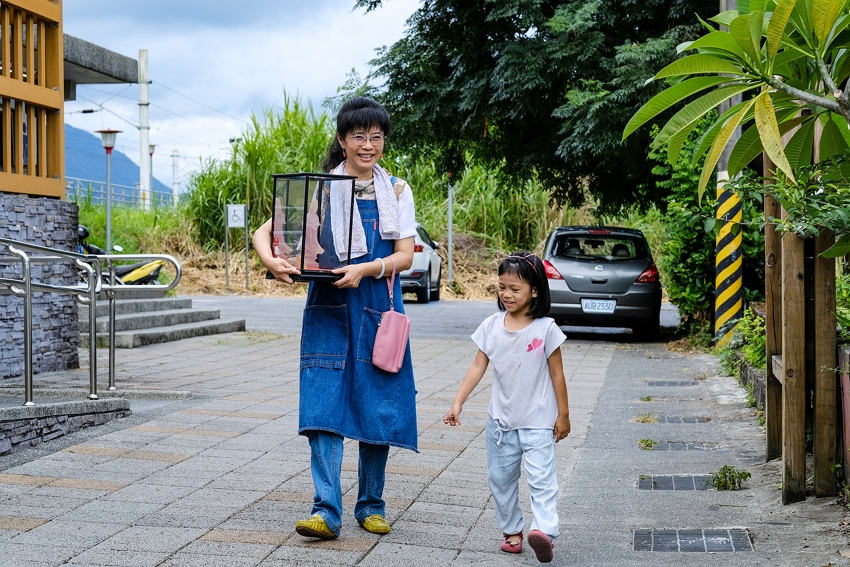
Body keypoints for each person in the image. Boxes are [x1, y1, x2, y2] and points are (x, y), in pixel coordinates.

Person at [253, 96, 417, 540]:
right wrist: (273, 262)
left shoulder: (398, 190)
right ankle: (325, 510)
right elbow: (265, 233)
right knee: (324, 403)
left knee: (377, 404)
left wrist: (364, 268)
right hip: (327, 308)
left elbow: (404, 257)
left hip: (379, 309)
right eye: (359, 136)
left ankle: (372, 504)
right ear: (343, 141)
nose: (369, 145)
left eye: (377, 137)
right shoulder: (321, 187)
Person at [443, 251, 570, 563]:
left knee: (542, 481)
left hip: (539, 421)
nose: (507, 294)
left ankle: (543, 532)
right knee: (500, 481)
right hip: (501, 423)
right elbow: (477, 367)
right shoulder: (491, 326)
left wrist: (563, 415)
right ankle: (512, 531)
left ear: (535, 290)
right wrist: (458, 402)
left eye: (515, 289)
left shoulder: (546, 328)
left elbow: (557, 374)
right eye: (502, 287)